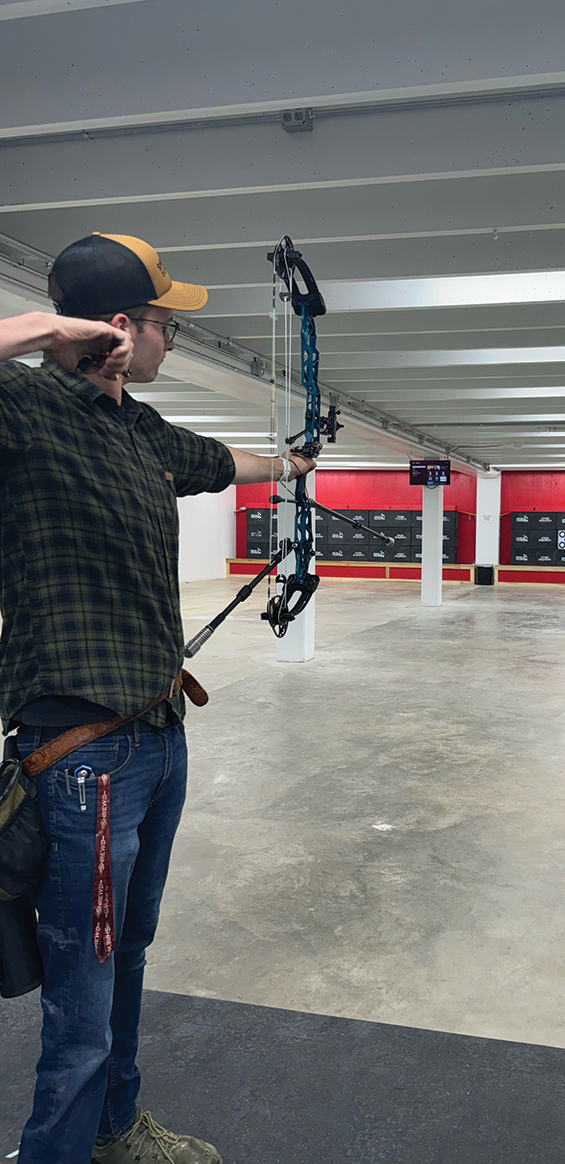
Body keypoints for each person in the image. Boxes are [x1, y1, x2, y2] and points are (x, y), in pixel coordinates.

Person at [0, 233, 315, 1164]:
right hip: (79, 754)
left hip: (154, 737)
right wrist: (47, 330)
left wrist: (293, 467)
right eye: (164, 322)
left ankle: (115, 1129)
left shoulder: (140, 431)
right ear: (117, 325)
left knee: (126, 955)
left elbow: (224, 462)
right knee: (83, 991)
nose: (174, 339)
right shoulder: (21, 410)